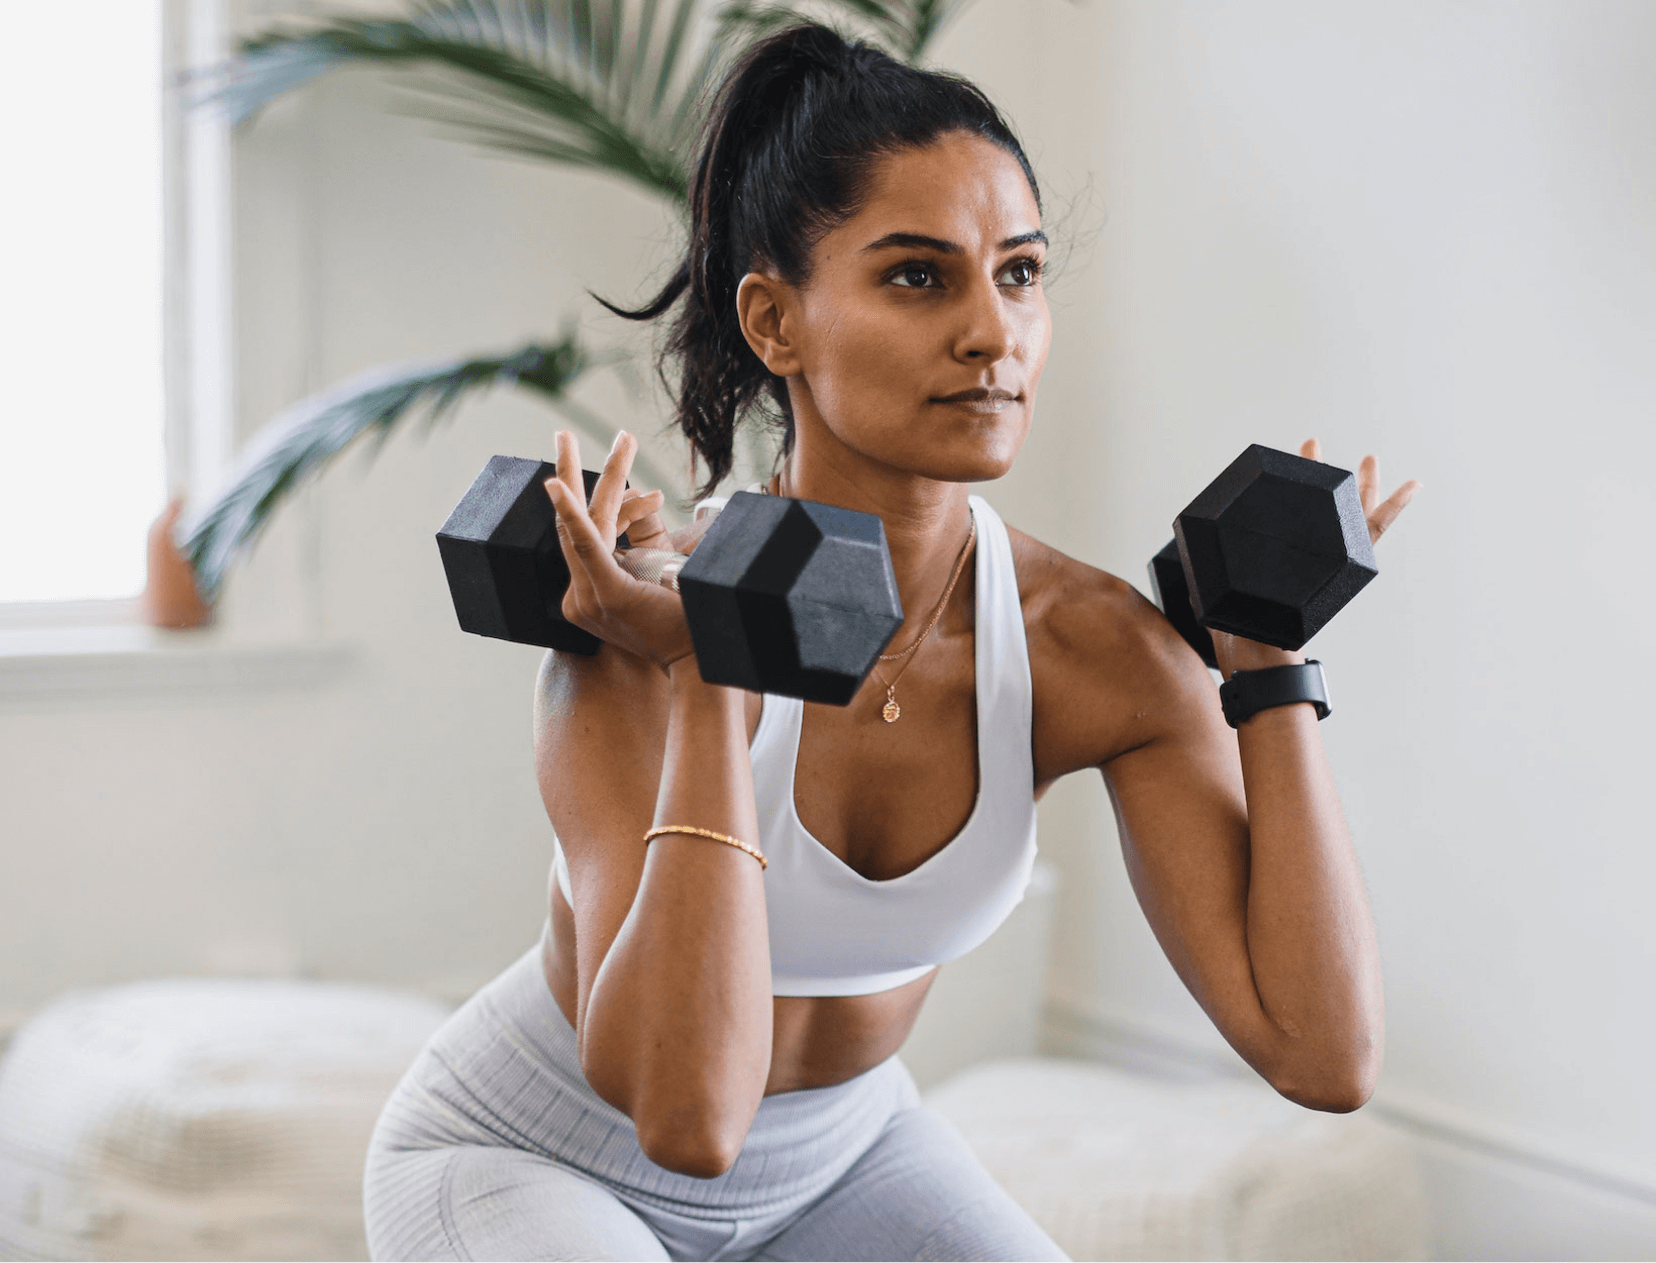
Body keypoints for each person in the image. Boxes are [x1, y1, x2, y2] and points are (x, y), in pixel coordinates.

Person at [362, 21, 1419, 1263]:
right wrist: (710, 670)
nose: (992, 334)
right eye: (919, 276)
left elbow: (1322, 1055)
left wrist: (1268, 668)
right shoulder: (632, 629)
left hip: (844, 1159)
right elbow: (688, 1118)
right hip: (528, 1159)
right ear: (775, 321)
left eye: (1018, 274)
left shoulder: (1089, 652)